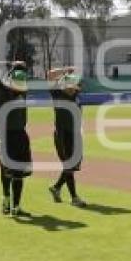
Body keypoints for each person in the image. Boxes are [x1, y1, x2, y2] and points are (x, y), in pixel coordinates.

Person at [0, 61, 32, 217]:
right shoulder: (0, 92)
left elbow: (22, 70)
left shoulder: (23, 91)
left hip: (20, 135)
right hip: (3, 136)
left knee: (19, 172)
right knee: (7, 171)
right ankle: (6, 200)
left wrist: (17, 66)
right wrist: (8, 63)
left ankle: (16, 206)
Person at [48, 67, 86, 207]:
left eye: (74, 86)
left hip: (75, 133)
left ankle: (56, 188)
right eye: (70, 86)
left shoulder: (75, 94)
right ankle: (74, 198)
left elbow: (79, 82)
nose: (73, 89)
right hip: (63, 134)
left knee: (74, 163)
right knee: (69, 164)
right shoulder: (57, 94)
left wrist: (72, 76)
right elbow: (50, 74)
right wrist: (65, 70)